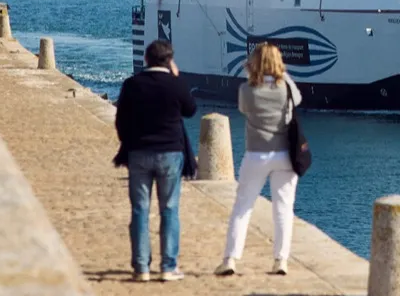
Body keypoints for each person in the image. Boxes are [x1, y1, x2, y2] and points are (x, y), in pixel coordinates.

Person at [215, 43, 302, 277]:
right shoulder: (286, 89)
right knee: (283, 210)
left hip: (256, 154)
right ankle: (281, 260)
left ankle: (230, 259)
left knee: (243, 207)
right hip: (285, 154)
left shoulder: (247, 90)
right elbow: (299, 98)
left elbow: (244, 109)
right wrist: (283, 75)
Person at [114, 40, 197, 282]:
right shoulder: (176, 84)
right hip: (170, 153)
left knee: (140, 209)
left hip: (139, 152)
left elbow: (121, 119)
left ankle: (141, 268)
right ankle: (168, 266)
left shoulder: (132, 84)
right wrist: (177, 77)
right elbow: (190, 110)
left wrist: (129, 142)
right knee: (169, 209)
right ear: (169, 61)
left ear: (147, 59)